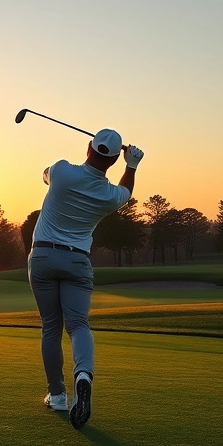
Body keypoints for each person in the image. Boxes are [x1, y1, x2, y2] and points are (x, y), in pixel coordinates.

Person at [29, 129, 144, 429]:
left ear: (89, 147)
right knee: (78, 325)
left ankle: (57, 396)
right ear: (114, 158)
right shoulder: (110, 196)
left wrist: (51, 177)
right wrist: (131, 166)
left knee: (51, 328)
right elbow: (127, 191)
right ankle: (84, 375)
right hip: (78, 262)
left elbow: (44, 175)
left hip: (42, 258)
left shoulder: (62, 170)